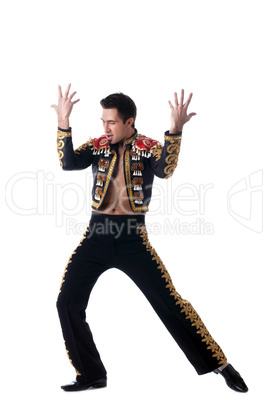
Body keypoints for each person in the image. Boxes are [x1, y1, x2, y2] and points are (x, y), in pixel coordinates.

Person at [51, 84, 248, 393]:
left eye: (111, 121)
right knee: (67, 302)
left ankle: (220, 365)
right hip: (97, 236)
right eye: (103, 121)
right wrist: (64, 122)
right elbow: (68, 163)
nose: (105, 127)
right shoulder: (99, 145)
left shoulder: (148, 146)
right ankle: (91, 374)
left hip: (133, 241)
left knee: (169, 303)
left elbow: (165, 169)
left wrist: (175, 131)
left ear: (129, 121)